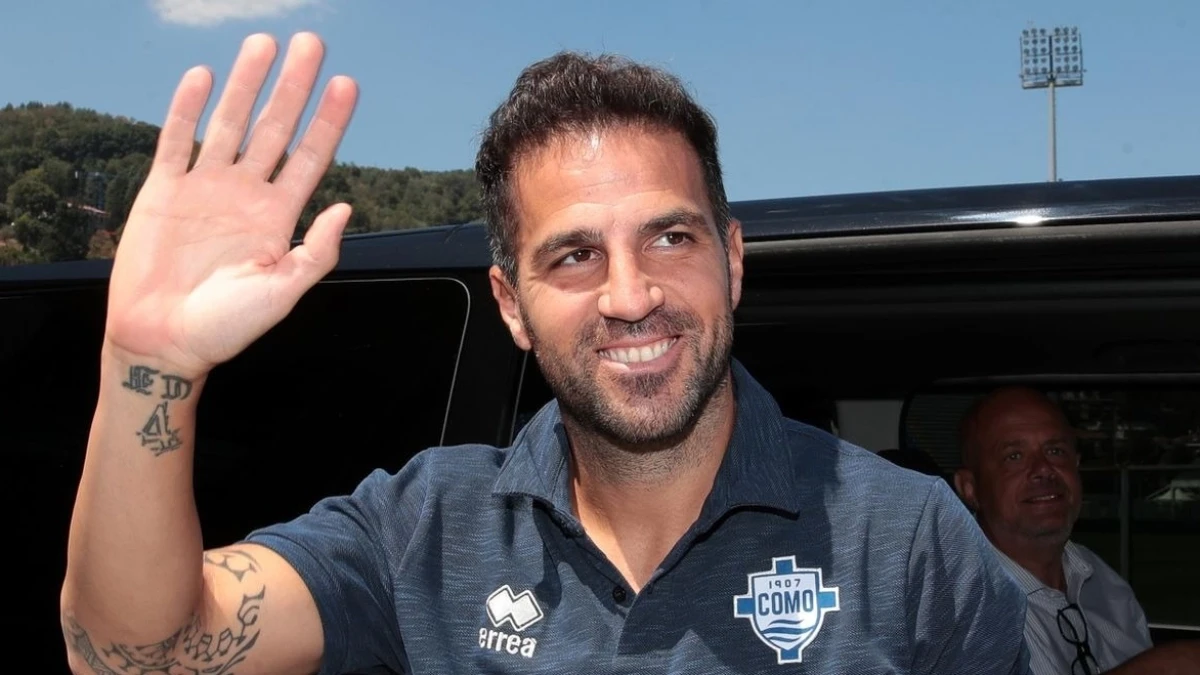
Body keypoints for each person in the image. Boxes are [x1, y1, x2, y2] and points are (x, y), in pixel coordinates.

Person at [60, 32, 1032, 674]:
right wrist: (151, 368)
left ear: (732, 261)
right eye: (574, 255)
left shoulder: (912, 539)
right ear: (511, 305)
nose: (631, 296)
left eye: (671, 237)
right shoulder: (423, 529)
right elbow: (136, 652)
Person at [954, 386, 1200, 675]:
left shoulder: (1101, 580)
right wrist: (1167, 665)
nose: (1043, 469)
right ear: (970, 488)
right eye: (1014, 456)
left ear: (1077, 466)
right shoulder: (955, 605)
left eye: (1055, 451)